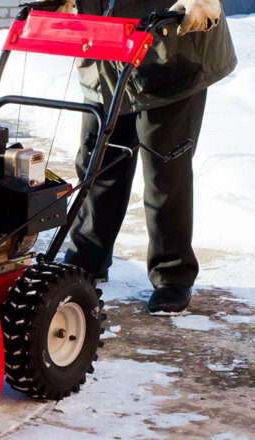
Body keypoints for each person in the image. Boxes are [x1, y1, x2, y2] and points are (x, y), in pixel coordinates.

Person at [53, 0, 237, 314]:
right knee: (97, 159)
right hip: (105, 46)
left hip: (173, 48)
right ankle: (87, 256)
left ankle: (172, 274)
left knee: (164, 166)